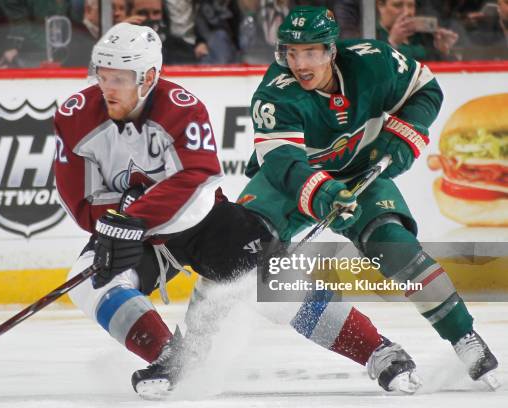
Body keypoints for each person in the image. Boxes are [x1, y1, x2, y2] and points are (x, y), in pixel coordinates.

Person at [54, 22, 429, 400]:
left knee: (271, 285)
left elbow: (197, 174)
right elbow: (79, 199)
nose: (106, 87)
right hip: (134, 233)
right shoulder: (74, 116)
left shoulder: (181, 107)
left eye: (119, 78)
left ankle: (377, 350)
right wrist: (116, 225)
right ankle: (170, 357)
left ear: (149, 76)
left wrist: (132, 215)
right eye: (102, 75)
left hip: (201, 224)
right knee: (90, 280)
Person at [236, 5, 500, 392]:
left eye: (310, 52)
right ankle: (376, 350)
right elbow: (282, 164)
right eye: (291, 53)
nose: (299, 63)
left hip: (362, 169)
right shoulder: (274, 93)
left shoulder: (373, 61)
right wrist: (325, 194)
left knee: (394, 245)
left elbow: (425, 87)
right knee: (248, 255)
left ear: (331, 50)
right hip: (290, 182)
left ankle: (464, 337)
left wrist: (405, 132)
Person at [376, 0, 459, 61]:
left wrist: (443, 50)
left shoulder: (423, 36)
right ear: (380, 6)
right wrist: (392, 43)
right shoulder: (372, 33)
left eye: (411, 6)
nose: (406, 12)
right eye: (398, 5)